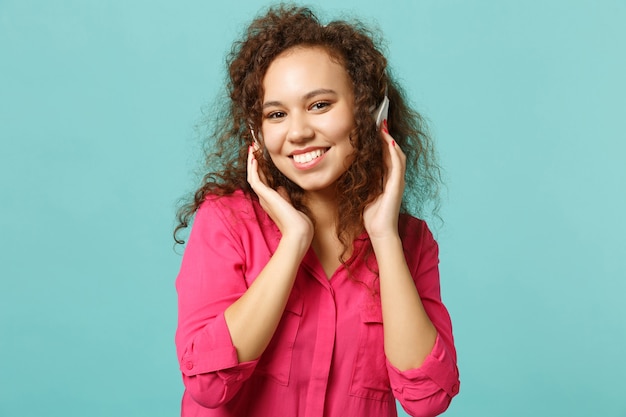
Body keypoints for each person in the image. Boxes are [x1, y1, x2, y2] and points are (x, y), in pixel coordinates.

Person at [174, 5, 460, 417]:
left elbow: (427, 399)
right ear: (257, 132)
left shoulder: (409, 242)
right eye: (276, 114)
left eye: (320, 105)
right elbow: (207, 385)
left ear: (371, 115)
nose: (298, 132)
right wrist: (294, 241)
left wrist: (383, 237)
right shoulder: (227, 222)